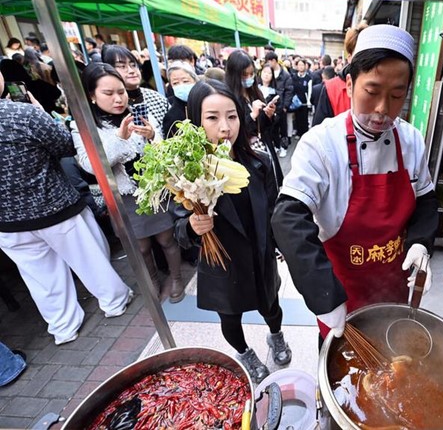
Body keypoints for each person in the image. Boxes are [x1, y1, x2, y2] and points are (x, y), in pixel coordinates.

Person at [271, 25, 439, 341]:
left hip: (393, 287)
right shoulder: (321, 144)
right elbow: (287, 219)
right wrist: (323, 295)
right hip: (341, 293)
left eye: (396, 95)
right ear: (349, 84)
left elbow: (426, 199)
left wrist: (420, 242)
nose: (382, 109)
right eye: (372, 92)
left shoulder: (412, 140)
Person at [0, 69, 133, 345]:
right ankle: (114, 302)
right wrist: (38, 111)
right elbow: (63, 145)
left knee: (39, 277)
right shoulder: (22, 114)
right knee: (89, 258)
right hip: (52, 206)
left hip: (7, 222)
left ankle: (63, 327)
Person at [173, 79, 291, 383]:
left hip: (258, 253)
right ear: (195, 120)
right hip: (221, 260)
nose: (225, 127)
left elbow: (274, 210)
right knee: (230, 316)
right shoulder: (186, 171)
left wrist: (280, 245)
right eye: (212, 118)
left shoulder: (260, 162)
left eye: (232, 116)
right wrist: (191, 225)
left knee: (271, 304)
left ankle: (275, 335)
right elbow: (176, 227)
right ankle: (245, 353)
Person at [71, 63, 185, 303]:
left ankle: (176, 278)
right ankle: (151, 280)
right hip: (124, 198)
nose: (118, 99)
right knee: (141, 247)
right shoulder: (83, 126)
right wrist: (121, 138)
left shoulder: (141, 113)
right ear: (91, 95)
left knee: (167, 239)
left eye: (121, 92)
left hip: (155, 191)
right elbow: (92, 166)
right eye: (108, 93)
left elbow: (166, 153)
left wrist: (153, 136)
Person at [225, 50, 283, 187]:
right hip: (245, 153)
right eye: (245, 75)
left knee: (270, 185)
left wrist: (268, 115)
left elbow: (263, 127)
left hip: (263, 147)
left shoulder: (255, 92)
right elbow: (234, 131)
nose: (249, 78)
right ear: (234, 75)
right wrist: (252, 116)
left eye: (252, 74)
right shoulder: (229, 98)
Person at [102, 45, 170, 136]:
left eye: (133, 65)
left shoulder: (157, 99)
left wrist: (153, 135)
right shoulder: (110, 104)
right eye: (122, 66)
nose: (131, 70)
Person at [312, 22, 367, 127]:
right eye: (360, 54)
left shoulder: (383, 88)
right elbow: (318, 133)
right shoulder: (331, 88)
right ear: (350, 57)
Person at [264, 51, 294, 156]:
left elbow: (289, 91)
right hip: (272, 106)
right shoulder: (270, 73)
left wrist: (285, 106)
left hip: (282, 106)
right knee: (274, 128)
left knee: (283, 128)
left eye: (268, 61)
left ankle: (284, 147)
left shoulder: (285, 74)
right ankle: (277, 146)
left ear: (273, 61)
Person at [162, 61, 199, 138]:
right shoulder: (171, 116)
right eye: (175, 83)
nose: (181, 85)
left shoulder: (205, 104)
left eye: (185, 81)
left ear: (195, 81)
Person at [290, 58, 311, 139]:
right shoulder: (294, 77)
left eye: (302, 65)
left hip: (305, 102)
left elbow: (310, 90)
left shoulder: (308, 78)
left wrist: (309, 101)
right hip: (296, 101)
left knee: (304, 118)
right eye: (299, 65)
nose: (301, 67)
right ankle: (298, 133)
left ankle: (304, 133)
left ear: (305, 66)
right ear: (297, 66)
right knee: (297, 117)